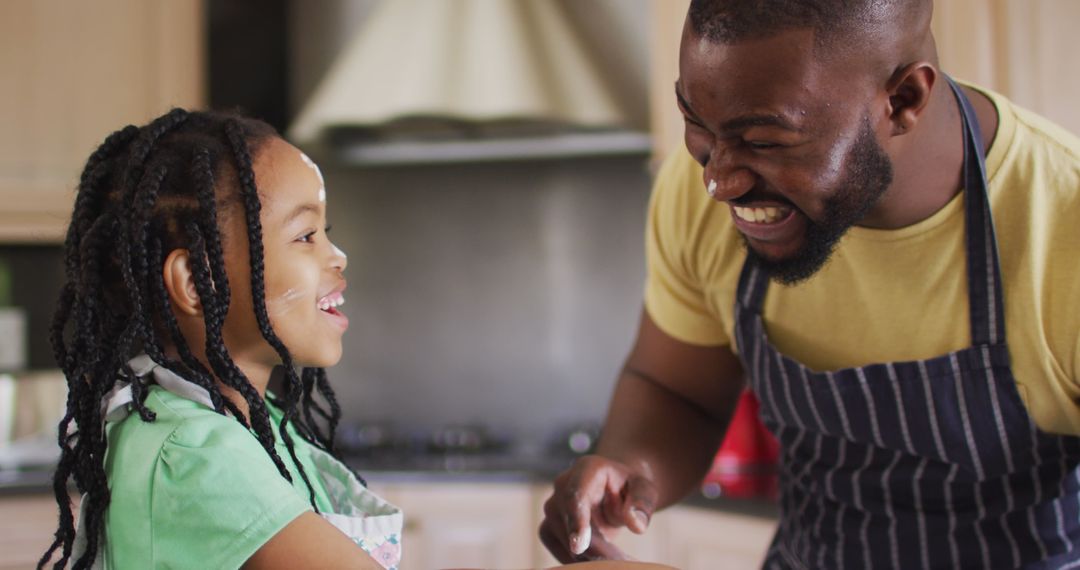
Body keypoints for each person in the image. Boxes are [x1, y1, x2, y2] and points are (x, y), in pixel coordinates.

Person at [539, 0, 1080, 568]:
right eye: (696, 121)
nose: (718, 181)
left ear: (903, 100)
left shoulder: (1062, 230)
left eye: (767, 142)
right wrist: (631, 470)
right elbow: (678, 390)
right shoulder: (696, 195)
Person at [39, 109, 400, 569]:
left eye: (325, 233)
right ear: (196, 280)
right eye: (307, 236)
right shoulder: (195, 455)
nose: (338, 257)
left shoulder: (246, 420)